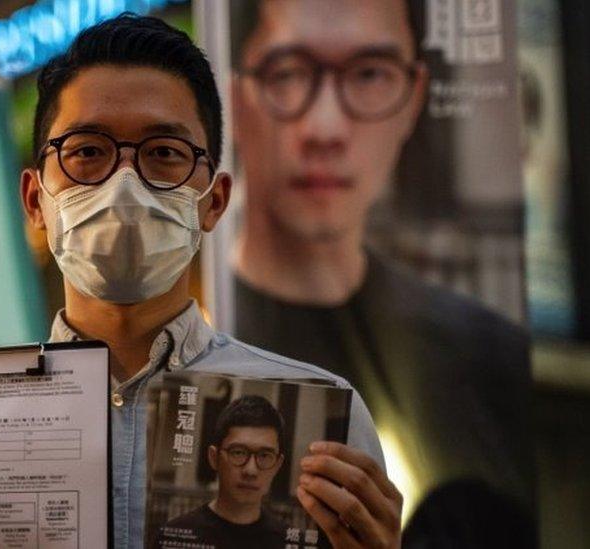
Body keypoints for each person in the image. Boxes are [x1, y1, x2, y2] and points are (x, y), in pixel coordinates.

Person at [20, 14, 403, 549]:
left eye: (164, 154)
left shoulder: (322, 423)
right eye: (88, 151)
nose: (125, 186)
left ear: (214, 201)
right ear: (36, 200)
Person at [227, 0, 533, 534]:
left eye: (370, 74)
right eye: (289, 73)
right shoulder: (187, 345)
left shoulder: (489, 354)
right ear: (235, 97)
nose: (325, 128)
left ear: (414, 99)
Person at [156, 395, 288, 549]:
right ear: (214, 457)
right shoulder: (175, 538)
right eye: (238, 452)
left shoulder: (288, 542)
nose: (250, 470)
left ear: (277, 465)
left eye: (265, 456)